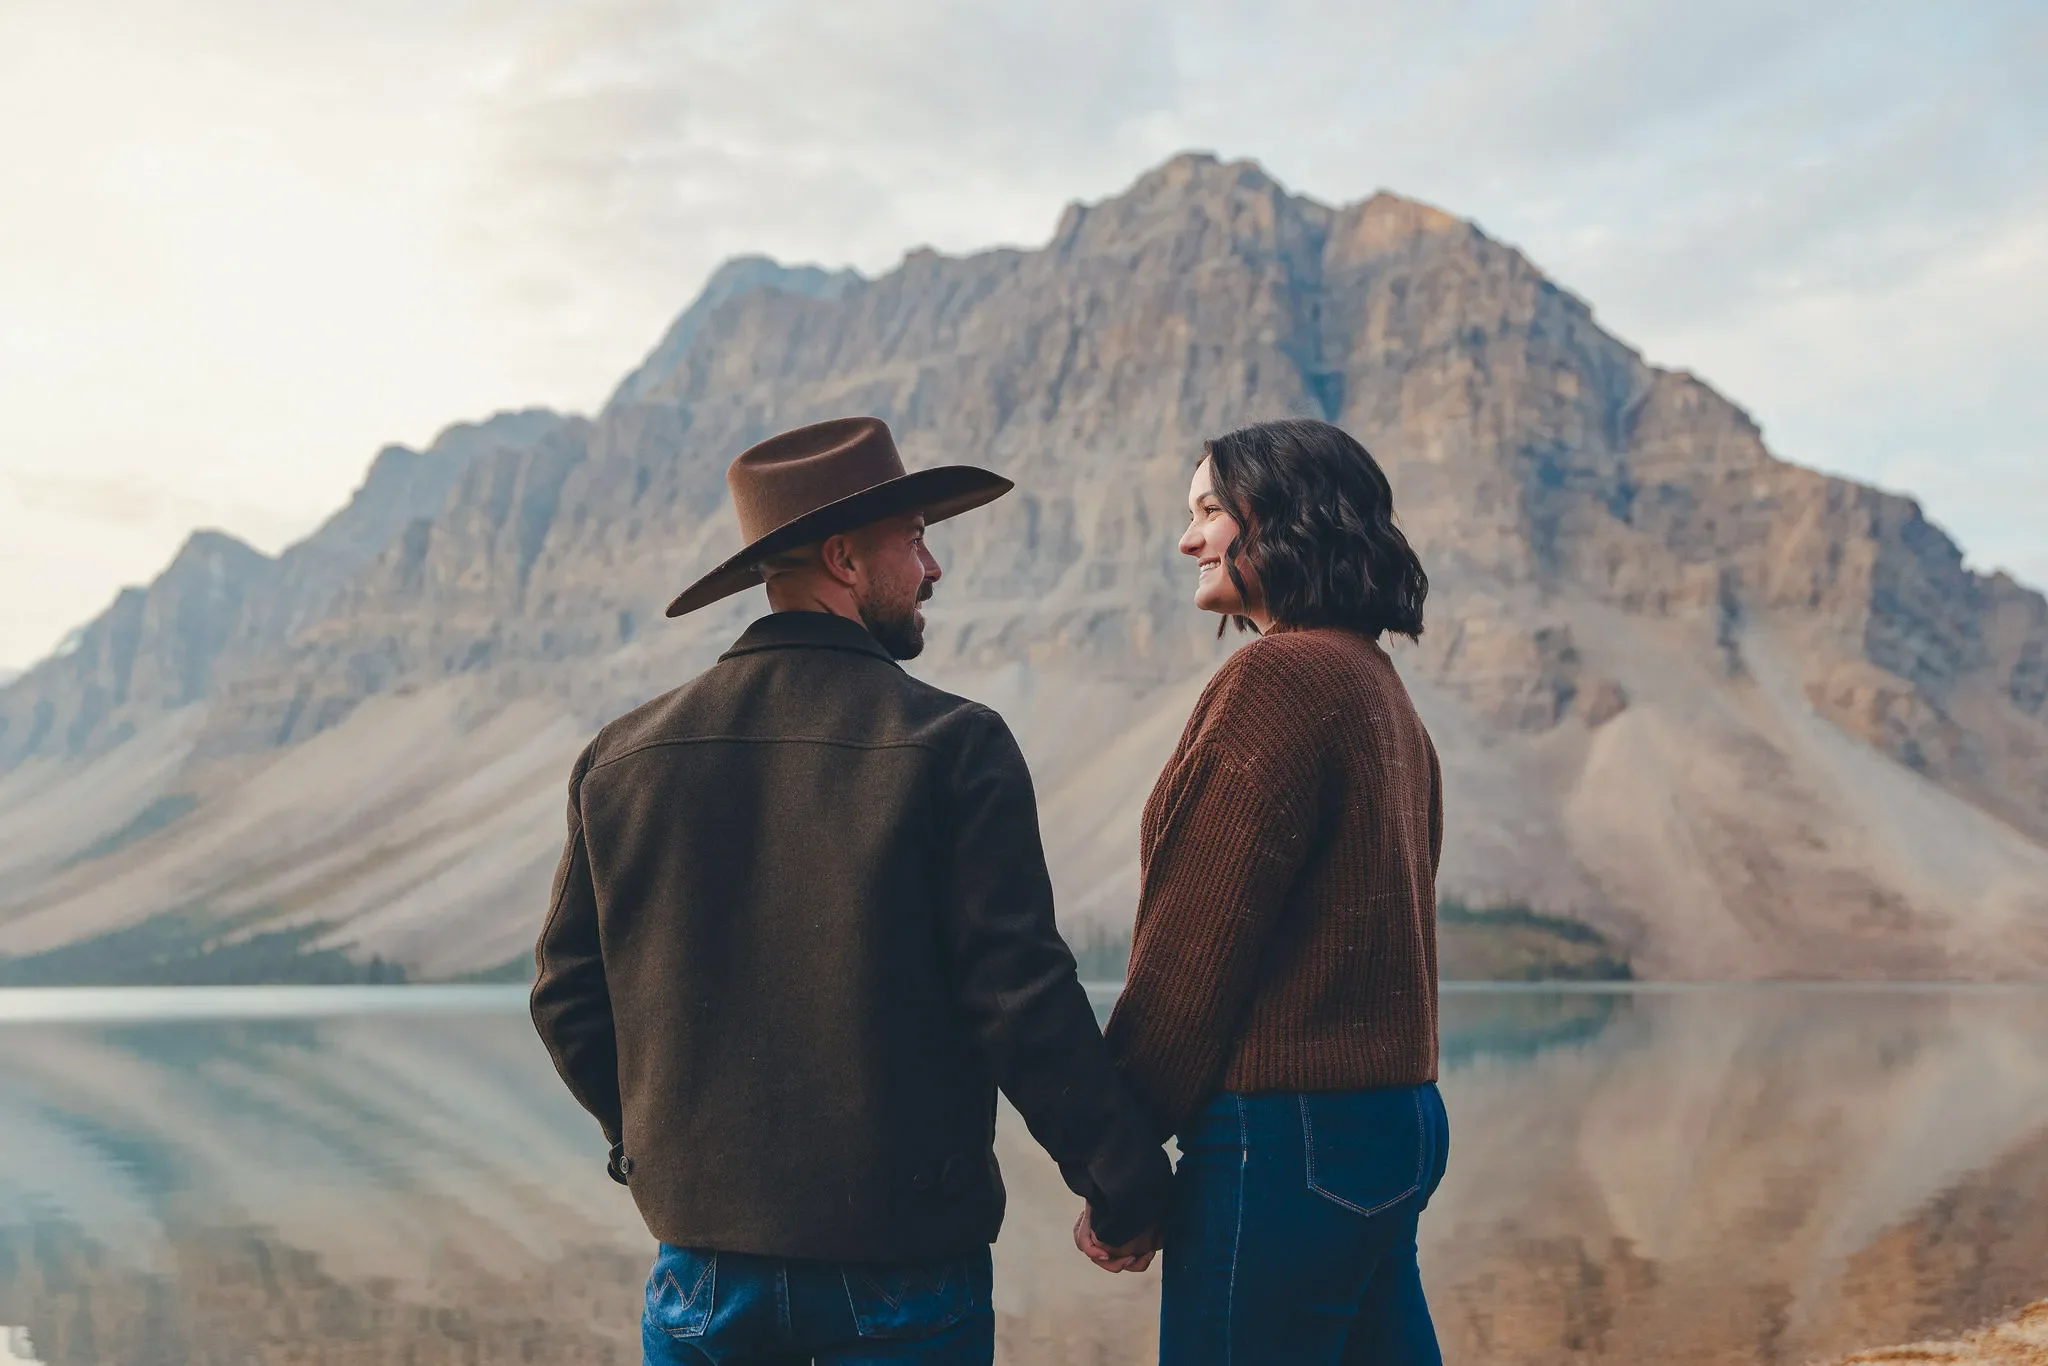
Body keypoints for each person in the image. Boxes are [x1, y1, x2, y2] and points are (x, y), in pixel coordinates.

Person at [532, 416, 1171, 1365]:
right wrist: (1124, 1186)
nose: (932, 569)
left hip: (702, 1279)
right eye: (914, 538)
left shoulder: (622, 757)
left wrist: (660, 1149)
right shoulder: (954, 746)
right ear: (843, 558)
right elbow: (1018, 995)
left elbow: (566, 997)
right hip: (901, 1272)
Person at [1077, 417, 1450, 1364]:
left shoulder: (1276, 680)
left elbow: (1196, 951)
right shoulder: (1379, 688)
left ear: (1282, 521)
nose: (1187, 539)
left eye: (1209, 511)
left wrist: (1120, 1163)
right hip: (1394, 1122)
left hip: (1288, 1136)